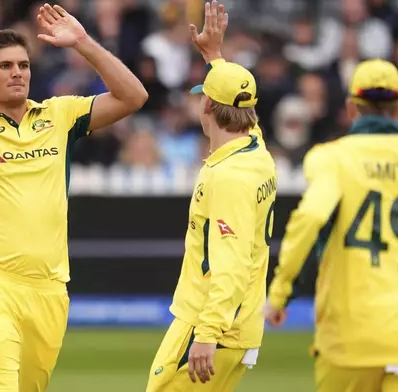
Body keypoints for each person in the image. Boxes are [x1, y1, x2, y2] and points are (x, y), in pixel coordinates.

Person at [0, 4, 147, 392]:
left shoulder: (59, 116)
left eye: (23, 66)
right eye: (5, 66)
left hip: (50, 289)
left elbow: (133, 96)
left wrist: (83, 43)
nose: (17, 73)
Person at [264, 58, 398, 392]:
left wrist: (279, 295)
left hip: (349, 341)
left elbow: (310, 219)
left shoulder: (330, 158)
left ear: (351, 108)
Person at [145, 2, 277, 391]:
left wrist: (207, 332)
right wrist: (214, 57)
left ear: (205, 105)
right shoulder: (257, 151)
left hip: (211, 324)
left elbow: (231, 263)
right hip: (239, 324)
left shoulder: (230, 177)